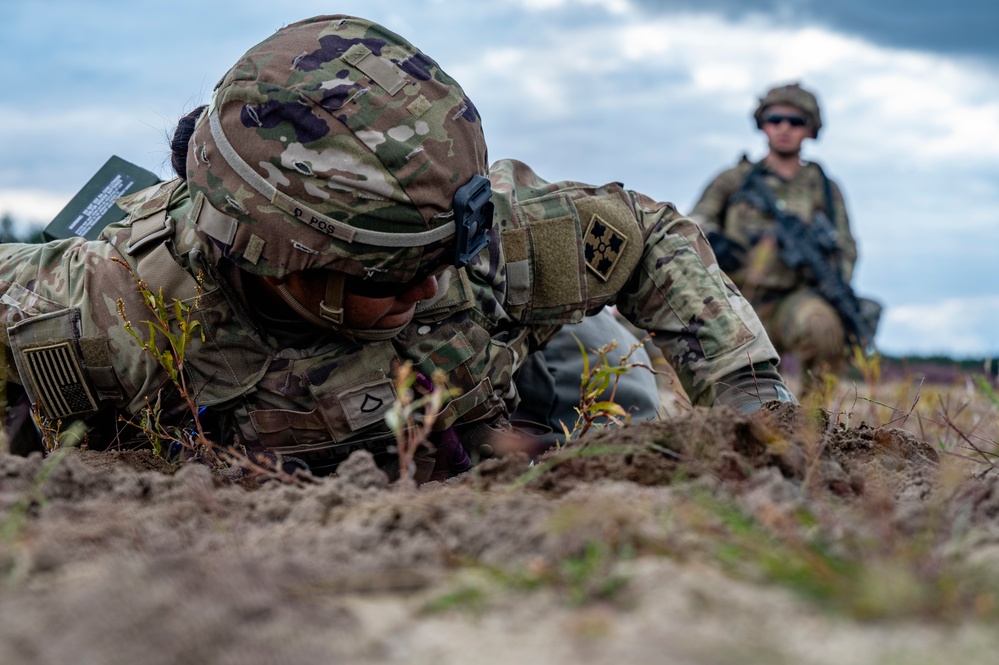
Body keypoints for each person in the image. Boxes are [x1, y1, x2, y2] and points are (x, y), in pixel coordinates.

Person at [0, 15, 793, 481]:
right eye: (393, 275)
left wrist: (754, 410)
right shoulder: (109, 316)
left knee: (597, 360)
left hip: (484, 408)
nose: (427, 286)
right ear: (275, 258)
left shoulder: (471, 248)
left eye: (444, 255)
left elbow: (646, 238)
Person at [689, 83, 858, 386]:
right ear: (762, 124)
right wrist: (714, 240)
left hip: (791, 301)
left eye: (796, 121)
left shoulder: (823, 189)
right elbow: (693, 222)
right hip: (734, 298)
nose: (784, 128)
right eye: (775, 119)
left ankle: (811, 425)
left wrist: (828, 279)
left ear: (810, 129)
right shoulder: (735, 180)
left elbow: (845, 246)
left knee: (823, 327)